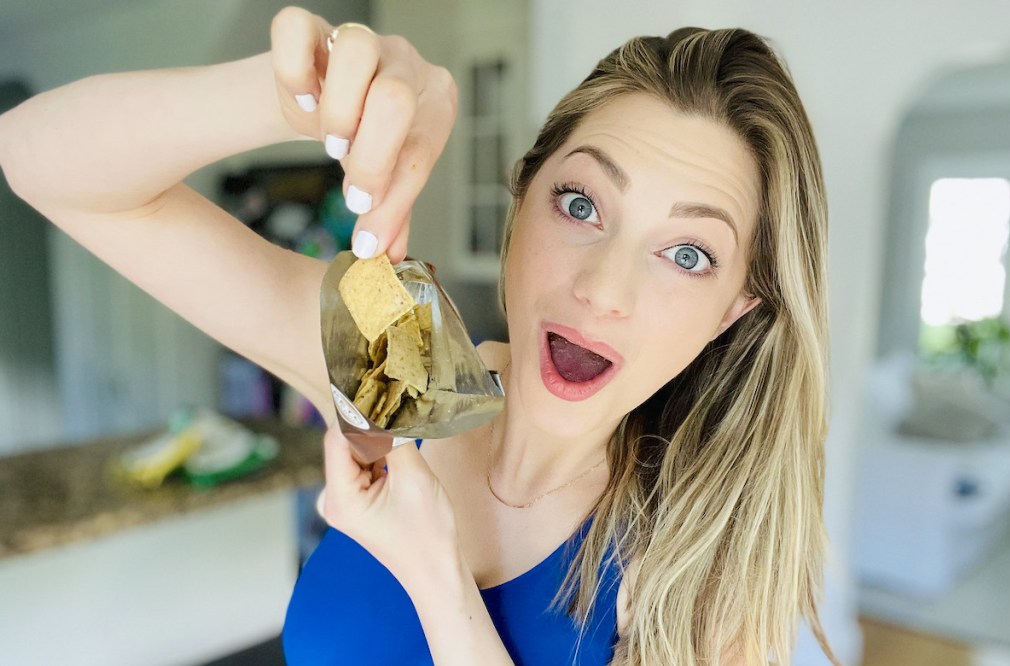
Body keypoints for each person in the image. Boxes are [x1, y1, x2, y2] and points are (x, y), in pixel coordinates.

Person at [0, 7, 837, 665]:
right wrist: (302, 97)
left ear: (736, 308)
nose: (602, 289)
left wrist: (435, 572)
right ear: (521, 199)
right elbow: (43, 161)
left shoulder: (700, 552)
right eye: (581, 204)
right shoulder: (410, 360)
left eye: (688, 253)